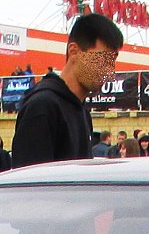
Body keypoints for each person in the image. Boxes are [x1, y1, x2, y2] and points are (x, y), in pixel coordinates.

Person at [12, 14, 123, 168]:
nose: (108, 71)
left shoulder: (81, 111)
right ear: (74, 52)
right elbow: (28, 186)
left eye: (112, 63)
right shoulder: (43, 107)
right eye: (102, 60)